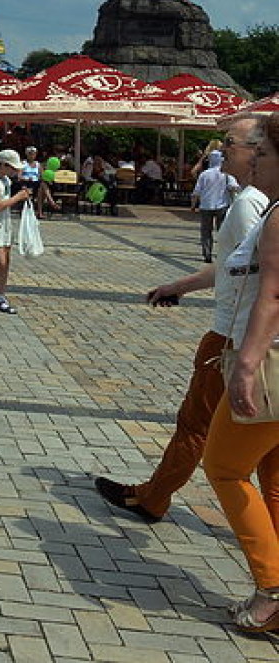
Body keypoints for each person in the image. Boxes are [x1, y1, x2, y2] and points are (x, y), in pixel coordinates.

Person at [95, 119, 267, 523]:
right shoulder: (255, 200)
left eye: (229, 143)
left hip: (232, 337)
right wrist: (179, 285)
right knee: (269, 456)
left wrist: (244, 348)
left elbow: (255, 282)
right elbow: (230, 267)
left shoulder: (247, 205)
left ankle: (153, 498)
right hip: (249, 339)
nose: (220, 150)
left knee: (195, 424)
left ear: (256, 151)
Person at [202, 112, 279, 634]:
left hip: (273, 361)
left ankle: (272, 590)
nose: (258, 160)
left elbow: (271, 296)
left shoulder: (277, 216)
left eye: (267, 154)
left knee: (224, 468)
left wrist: (245, 365)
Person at [0, 149, 34, 315]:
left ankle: (0, 297)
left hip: (5, 223)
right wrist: (18, 198)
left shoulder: (6, 181)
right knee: (0, 262)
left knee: (6, 263)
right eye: (11, 167)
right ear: (2, 164)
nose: (13, 172)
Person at [192, 149, 238, 262]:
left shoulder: (204, 174)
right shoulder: (226, 173)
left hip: (205, 206)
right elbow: (234, 187)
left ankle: (207, 253)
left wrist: (193, 205)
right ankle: (223, 254)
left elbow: (196, 192)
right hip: (222, 205)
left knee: (206, 231)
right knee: (222, 231)